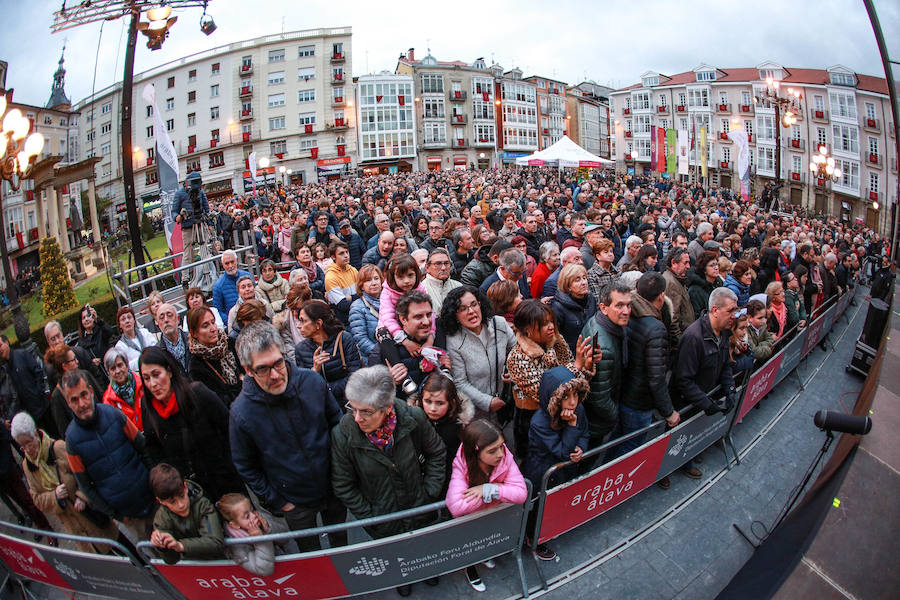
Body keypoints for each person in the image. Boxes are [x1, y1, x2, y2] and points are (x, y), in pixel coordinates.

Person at [231, 321, 346, 550]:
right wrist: (280, 502)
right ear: (248, 370)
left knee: (341, 543)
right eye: (263, 369)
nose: (275, 375)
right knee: (310, 555)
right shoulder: (241, 413)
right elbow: (246, 466)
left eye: (278, 363)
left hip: (333, 487)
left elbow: (338, 425)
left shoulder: (312, 382)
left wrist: (342, 473)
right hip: (295, 503)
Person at [331, 366, 446, 548]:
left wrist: (429, 492)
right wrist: (371, 516)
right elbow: (343, 485)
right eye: (353, 408)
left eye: (366, 412)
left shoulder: (413, 418)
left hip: (421, 513)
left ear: (387, 408)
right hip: (385, 527)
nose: (357, 418)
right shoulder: (343, 435)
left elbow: (436, 452)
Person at [139, 347, 245, 502]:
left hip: (225, 483)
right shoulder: (149, 408)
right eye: (146, 378)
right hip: (191, 495)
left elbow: (229, 428)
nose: (152, 384)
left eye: (156, 374)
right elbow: (153, 450)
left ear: (169, 371)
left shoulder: (197, 393)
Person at [62, 370, 156, 539]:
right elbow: (86, 487)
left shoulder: (113, 414)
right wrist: (115, 515)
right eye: (74, 400)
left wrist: (155, 481)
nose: (82, 404)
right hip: (130, 517)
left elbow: (143, 447)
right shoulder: (72, 441)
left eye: (83, 395)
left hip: (153, 498)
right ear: (68, 403)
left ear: (91, 391)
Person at [11, 412, 120, 553]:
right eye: (22, 446)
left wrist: (82, 496)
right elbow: (37, 499)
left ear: (36, 434)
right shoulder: (28, 466)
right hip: (75, 529)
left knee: (121, 550)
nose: (27, 450)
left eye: (29, 443)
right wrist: (54, 497)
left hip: (94, 517)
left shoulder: (58, 448)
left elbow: (85, 471)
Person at [507, 300, 594, 459]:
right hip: (533, 418)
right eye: (544, 323)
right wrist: (577, 366)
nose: (551, 327)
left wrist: (586, 366)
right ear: (528, 330)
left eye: (551, 321)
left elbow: (572, 381)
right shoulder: (517, 357)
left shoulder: (556, 341)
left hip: (566, 409)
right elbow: (544, 393)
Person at [446, 419, 527, 591]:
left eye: (501, 446)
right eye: (492, 451)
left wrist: (489, 489)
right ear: (476, 452)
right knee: (471, 549)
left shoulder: (506, 458)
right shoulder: (461, 464)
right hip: (471, 523)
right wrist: (494, 494)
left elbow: (521, 493)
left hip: (493, 518)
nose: (500, 454)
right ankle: (471, 569)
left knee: (488, 542)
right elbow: (455, 505)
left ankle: (485, 556)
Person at [670, 288, 739, 480]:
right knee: (677, 438)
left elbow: (725, 364)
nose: (734, 316)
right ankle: (665, 471)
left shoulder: (724, 332)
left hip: (703, 397)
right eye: (730, 311)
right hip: (686, 402)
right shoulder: (694, 337)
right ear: (715, 310)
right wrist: (706, 403)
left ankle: (689, 458)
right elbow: (683, 380)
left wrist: (729, 389)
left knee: (694, 433)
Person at [617, 273, 679, 460]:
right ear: (661, 296)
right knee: (630, 448)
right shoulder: (655, 328)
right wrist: (668, 412)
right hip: (639, 400)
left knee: (619, 441)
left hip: (625, 391)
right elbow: (656, 376)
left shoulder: (629, 311)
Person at [441, 286, 516, 421]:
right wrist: (488, 402)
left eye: (474, 304)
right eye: (462, 309)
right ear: (455, 315)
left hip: (505, 402)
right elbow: (460, 382)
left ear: (480, 304)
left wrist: (513, 371)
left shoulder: (499, 324)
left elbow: (517, 351)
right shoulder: (455, 341)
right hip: (475, 413)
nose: (471, 311)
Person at [580, 280, 630, 449]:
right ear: (603, 307)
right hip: (596, 422)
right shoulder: (604, 346)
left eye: (629, 305)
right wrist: (616, 415)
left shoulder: (603, 323)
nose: (626, 311)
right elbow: (599, 397)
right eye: (619, 306)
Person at [149, 463, 225, 565]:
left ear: (185, 487)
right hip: (193, 566)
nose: (181, 505)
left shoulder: (202, 504)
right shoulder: (162, 518)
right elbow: (171, 560)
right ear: (161, 501)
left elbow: (216, 542)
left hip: (221, 561)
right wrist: (162, 547)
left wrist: (180, 546)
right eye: (172, 502)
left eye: (182, 496)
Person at [411, 372, 474, 493]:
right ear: (420, 400)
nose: (433, 408)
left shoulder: (458, 427)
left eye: (440, 403)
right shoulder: (414, 423)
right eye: (428, 401)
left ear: (451, 403)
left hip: (452, 482)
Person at [295, 300, 361, 404]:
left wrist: (326, 389)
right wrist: (314, 371)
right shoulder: (301, 349)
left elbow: (356, 376)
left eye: (303, 321)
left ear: (318, 324)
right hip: (321, 407)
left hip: (346, 403)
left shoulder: (344, 339)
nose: (298, 325)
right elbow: (303, 387)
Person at [0, 420, 54, 538]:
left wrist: (8, 462)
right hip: (2, 477)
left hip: (7, 469)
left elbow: (4, 436)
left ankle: (46, 527)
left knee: (27, 499)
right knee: (20, 502)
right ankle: (39, 525)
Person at [216, 492, 291, 576]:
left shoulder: (259, 516)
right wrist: (260, 540)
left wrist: (269, 528)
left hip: (285, 565)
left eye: (252, 510)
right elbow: (264, 570)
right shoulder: (237, 547)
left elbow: (286, 538)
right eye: (247, 516)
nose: (253, 516)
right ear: (234, 525)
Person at [187, 306, 244, 407]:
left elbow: (251, 374)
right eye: (205, 326)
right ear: (194, 333)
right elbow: (216, 401)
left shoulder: (230, 343)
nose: (213, 329)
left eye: (213, 322)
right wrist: (241, 384)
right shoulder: (196, 366)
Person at [45, 345, 104, 437]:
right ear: (64, 366)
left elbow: (102, 398)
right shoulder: (57, 396)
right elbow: (64, 431)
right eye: (73, 360)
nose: (77, 362)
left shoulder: (86, 375)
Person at [0, 334, 53, 436]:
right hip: (31, 416)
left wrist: (39, 393)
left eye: (0, 345)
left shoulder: (22, 354)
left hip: (43, 407)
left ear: (7, 342)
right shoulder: (6, 369)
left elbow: (38, 372)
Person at [172, 171, 210, 287]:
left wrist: (205, 217)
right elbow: (174, 213)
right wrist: (180, 217)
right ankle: (185, 278)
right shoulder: (180, 194)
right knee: (187, 253)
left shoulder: (201, 192)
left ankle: (207, 272)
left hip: (200, 224)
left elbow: (206, 208)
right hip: (187, 227)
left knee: (205, 249)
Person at [551, 264, 597, 354]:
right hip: (571, 356)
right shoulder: (558, 307)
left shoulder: (591, 299)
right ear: (568, 286)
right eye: (577, 280)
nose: (584, 282)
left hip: (591, 352)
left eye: (584, 278)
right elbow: (556, 340)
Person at [101, 348, 144, 432]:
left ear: (127, 365)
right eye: (113, 368)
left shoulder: (143, 381)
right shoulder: (108, 400)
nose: (117, 371)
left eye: (120, 365)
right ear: (108, 372)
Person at [348, 265, 382, 361]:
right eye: (368, 280)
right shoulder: (357, 307)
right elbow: (361, 340)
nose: (374, 283)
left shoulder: (388, 300)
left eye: (376, 278)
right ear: (361, 286)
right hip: (374, 358)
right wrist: (383, 354)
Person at [323, 241, 359, 323]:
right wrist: (359, 298)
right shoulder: (330, 276)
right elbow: (343, 305)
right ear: (333, 257)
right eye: (341, 253)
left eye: (347, 252)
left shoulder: (353, 270)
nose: (346, 255)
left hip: (358, 314)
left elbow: (364, 293)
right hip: (344, 320)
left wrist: (349, 298)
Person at [664, 247, 695, 340]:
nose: (688, 266)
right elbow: (673, 320)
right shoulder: (671, 283)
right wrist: (680, 343)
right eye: (685, 263)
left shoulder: (678, 280)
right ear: (673, 263)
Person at [156, 303, 194, 374]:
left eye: (169, 315)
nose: (166, 320)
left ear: (178, 319)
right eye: (161, 318)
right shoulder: (157, 352)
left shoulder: (193, 339)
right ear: (158, 324)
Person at [76, 304, 114, 377]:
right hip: (99, 375)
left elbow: (110, 332)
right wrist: (91, 362)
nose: (86, 319)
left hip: (110, 368)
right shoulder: (81, 342)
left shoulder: (101, 330)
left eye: (88, 316)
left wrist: (98, 319)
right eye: (83, 318)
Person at [114, 306, 157, 371]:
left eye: (129, 317)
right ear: (120, 325)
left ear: (134, 320)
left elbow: (156, 349)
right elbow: (126, 367)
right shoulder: (120, 346)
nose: (127, 321)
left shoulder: (144, 332)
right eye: (123, 319)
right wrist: (145, 357)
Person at [212, 250, 252, 318]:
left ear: (237, 260)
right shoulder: (218, 286)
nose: (230, 266)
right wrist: (232, 322)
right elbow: (218, 311)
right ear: (223, 265)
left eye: (232, 262)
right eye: (227, 263)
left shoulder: (248, 276)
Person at [422, 248, 462, 315]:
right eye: (438, 264)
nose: (443, 268)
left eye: (446, 263)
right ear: (427, 267)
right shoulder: (422, 290)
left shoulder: (458, 287)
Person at [688, 251, 723, 318]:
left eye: (717, 264)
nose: (716, 268)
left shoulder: (719, 284)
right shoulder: (695, 290)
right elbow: (698, 315)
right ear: (704, 269)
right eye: (712, 265)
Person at [586, 238, 619, 304]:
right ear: (598, 256)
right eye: (606, 252)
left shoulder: (617, 271)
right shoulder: (592, 274)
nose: (610, 254)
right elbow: (597, 299)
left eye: (611, 251)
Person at [729, 312, 755, 380]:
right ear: (733, 329)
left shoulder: (742, 344)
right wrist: (750, 356)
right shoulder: (728, 347)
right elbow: (735, 366)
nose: (744, 332)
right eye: (741, 328)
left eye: (746, 328)